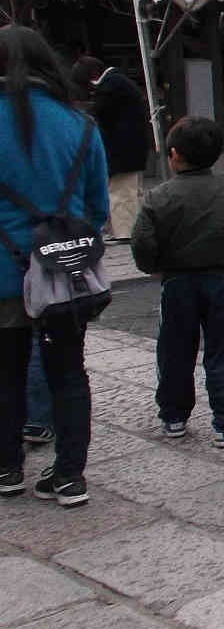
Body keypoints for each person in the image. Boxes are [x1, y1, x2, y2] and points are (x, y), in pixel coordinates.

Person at [0, 26, 109, 507]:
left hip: (3, 274)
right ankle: (69, 476)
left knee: (6, 374)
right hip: (64, 272)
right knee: (69, 372)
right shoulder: (80, 124)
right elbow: (98, 209)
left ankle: (7, 468)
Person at [131, 116, 224, 448]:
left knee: (174, 350)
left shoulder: (157, 196)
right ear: (218, 155)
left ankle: (173, 416)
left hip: (176, 283)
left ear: (173, 154)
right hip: (221, 282)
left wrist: (154, 267)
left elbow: (142, 244)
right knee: (223, 352)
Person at [71, 56, 150, 242]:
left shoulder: (110, 86)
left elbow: (97, 114)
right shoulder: (118, 81)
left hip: (122, 150)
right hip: (134, 148)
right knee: (132, 192)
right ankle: (132, 229)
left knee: (120, 192)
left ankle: (125, 233)